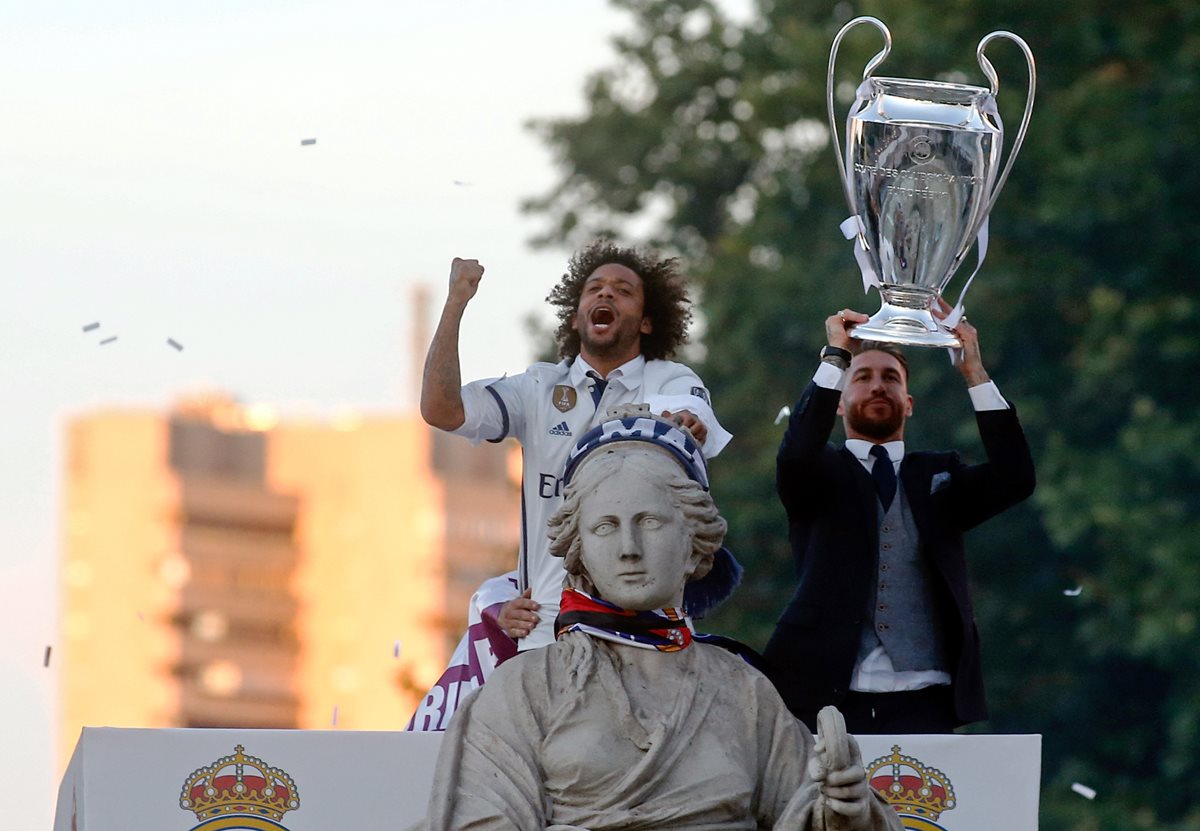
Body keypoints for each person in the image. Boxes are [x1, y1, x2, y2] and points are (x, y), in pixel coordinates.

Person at [425, 415, 901, 831]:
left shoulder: (743, 691)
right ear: (580, 551)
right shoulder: (525, 689)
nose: (629, 548)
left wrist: (846, 812)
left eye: (650, 521)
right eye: (605, 527)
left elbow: (809, 812)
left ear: (694, 540)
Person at [420, 240, 731, 654]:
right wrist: (456, 302)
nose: (606, 293)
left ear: (647, 323)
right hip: (548, 630)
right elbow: (441, 410)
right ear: (574, 318)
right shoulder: (537, 387)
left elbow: (688, 416)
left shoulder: (670, 379)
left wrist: (684, 425)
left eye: (623, 291)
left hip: (648, 632)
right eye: (595, 288)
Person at [763, 308, 1036, 735]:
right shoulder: (817, 473)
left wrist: (974, 371)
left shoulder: (938, 473)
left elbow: (1015, 477)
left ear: (908, 405)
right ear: (839, 402)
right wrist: (837, 354)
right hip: (825, 698)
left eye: (891, 378)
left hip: (928, 697)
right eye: (863, 377)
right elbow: (796, 451)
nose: (877, 385)